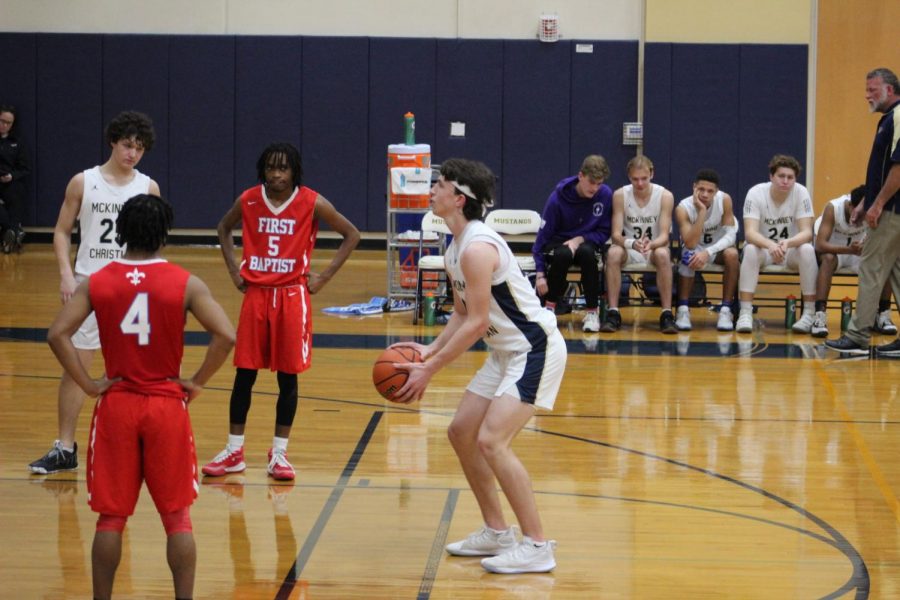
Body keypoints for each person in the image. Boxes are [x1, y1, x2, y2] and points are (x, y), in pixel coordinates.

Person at [46, 194, 235, 600]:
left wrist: (88, 384)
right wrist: (198, 380)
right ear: (164, 235)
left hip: (117, 404)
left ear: (122, 233)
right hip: (166, 404)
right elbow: (226, 335)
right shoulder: (186, 283)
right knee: (177, 518)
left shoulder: (98, 282)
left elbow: (57, 334)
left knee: (110, 519)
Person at [391, 158, 565, 574]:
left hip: (534, 349)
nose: (432, 190)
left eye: (441, 184)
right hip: (505, 352)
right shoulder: (456, 246)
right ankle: (496, 530)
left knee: (492, 441)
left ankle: (538, 545)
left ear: (459, 198)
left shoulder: (477, 247)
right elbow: (461, 313)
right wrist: (428, 351)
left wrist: (430, 371)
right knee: (460, 431)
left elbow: (478, 322)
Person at [202, 142, 360, 481]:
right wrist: (233, 271)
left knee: (288, 379)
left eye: (283, 168)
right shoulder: (248, 199)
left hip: (292, 296)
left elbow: (351, 234)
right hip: (256, 295)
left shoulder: (311, 201)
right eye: (271, 167)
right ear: (263, 169)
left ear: (294, 171)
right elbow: (223, 228)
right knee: (244, 375)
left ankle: (279, 454)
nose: (276, 173)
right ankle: (234, 451)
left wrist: (325, 277)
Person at [29, 110, 159, 474]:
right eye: (127, 145)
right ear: (113, 142)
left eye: (139, 148)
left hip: (131, 289)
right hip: (89, 285)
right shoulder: (83, 182)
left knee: (135, 372)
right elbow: (60, 231)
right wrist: (66, 275)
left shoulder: (148, 187)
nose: (132, 153)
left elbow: (153, 244)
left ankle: (133, 446)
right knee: (76, 366)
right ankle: (65, 447)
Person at [826, 68, 900, 356]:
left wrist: (878, 204)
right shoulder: (888, 119)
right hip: (889, 209)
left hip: (891, 212)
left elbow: (898, 169)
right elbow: (881, 170)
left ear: (891, 90)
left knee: (870, 268)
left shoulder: (897, 117)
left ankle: (857, 336)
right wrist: (864, 202)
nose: (867, 94)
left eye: (873, 89)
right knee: (896, 272)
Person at [735, 154, 817, 334]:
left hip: (790, 251)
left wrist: (788, 243)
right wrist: (770, 245)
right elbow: (750, 233)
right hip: (765, 251)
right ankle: (745, 313)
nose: (786, 181)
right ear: (771, 176)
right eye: (781, 176)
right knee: (749, 250)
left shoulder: (801, 192)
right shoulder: (755, 193)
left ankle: (809, 313)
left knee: (808, 250)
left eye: (790, 177)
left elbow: (807, 232)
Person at [531, 154, 613, 332]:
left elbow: (605, 231)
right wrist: (539, 273)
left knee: (587, 253)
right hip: (560, 243)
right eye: (592, 182)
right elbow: (541, 239)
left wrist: (580, 239)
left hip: (588, 241)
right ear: (580, 176)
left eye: (599, 183)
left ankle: (592, 312)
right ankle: (550, 308)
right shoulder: (557, 199)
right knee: (563, 253)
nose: (595, 188)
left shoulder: (605, 195)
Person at [600, 155, 677, 334]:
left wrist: (652, 244)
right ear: (629, 177)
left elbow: (665, 235)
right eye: (635, 179)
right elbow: (616, 234)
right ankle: (613, 312)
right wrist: (632, 243)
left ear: (652, 174)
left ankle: (666, 314)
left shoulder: (665, 196)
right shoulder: (620, 195)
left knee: (664, 254)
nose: (640, 183)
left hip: (654, 247)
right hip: (630, 247)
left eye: (644, 178)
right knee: (612, 253)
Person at [811, 184, 896, 338]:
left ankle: (883, 314)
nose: (862, 220)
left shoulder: (873, 211)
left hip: (857, 253)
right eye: (860, 215)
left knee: (886, 261)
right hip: (835, 252)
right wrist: (849, 250)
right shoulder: (833, 208)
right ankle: (819, 315)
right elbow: (820, 245)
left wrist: (864, 247)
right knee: (828, 259)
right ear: (851, 206)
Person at [672, 169, 740, 331]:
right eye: (701, 189)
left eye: (710, 191)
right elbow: (689, 243)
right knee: (687, 255)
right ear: (694, 187)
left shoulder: (724, 200)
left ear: (716, 192)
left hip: (716, 250)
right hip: (694, 249)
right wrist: (702, 211)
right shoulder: (683, 207)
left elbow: (731, 237)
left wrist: (708, 252)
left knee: (732, 254)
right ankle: (682, 309)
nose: (705, 194)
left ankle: (725, 309)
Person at [0, 103, 30, 253]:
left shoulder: (17, 142)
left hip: (9, 182)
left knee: (17, 191)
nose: (3, 125)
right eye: (1, 121)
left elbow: (24, 168)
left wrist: (11, 176)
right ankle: (13, 230)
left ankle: (10, 235)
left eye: (8, 123)